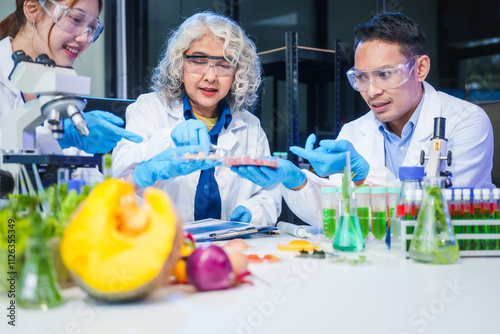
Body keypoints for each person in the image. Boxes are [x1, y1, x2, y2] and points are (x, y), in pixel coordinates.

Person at [232, 12, 494, 225]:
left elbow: (437, 217)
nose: (371, 91)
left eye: (384, 74)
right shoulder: (354, 132)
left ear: (420, 68)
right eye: (361, 77)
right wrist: (297, 182)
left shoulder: (466, 122)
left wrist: (365, 174)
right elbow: (336, 217)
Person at [112, 11, 281, 226]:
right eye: (199, 61)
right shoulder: (148, 109)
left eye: (223, 64)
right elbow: (117, 175)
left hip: (227, 246)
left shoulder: (250, 126)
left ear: (238, 71)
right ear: (179, 64)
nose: (211, 76)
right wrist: (168, 139)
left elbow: (269, 194)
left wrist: (252, 212)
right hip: (161, 247)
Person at [0, 0, 142, 156]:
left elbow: (78, 172)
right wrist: (56, 139)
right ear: (32, 9)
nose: (84, 39)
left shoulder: (61, 88)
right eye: (75, 19)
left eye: (92, 28)